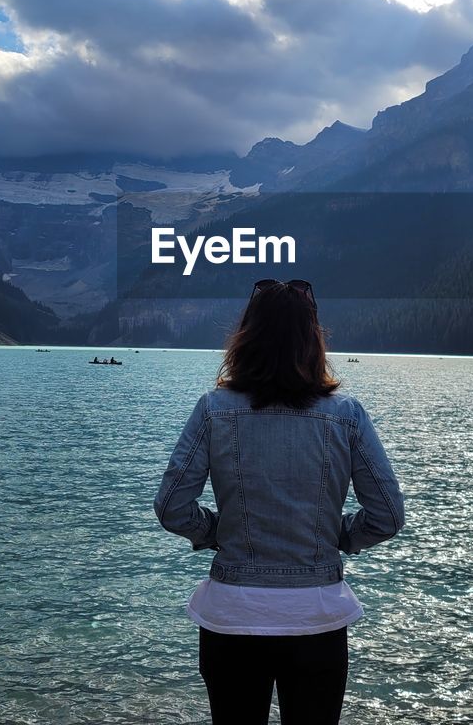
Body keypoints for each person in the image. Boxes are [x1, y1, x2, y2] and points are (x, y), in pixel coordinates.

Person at [153, 278, 405, 725]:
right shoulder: (346, 416)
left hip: (232, 616)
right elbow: (387, 515)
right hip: (317, 618)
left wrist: (215, 532)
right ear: (313, 341)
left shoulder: (214, 409)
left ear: (246, 338)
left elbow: (172, 505)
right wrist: (341, 536)